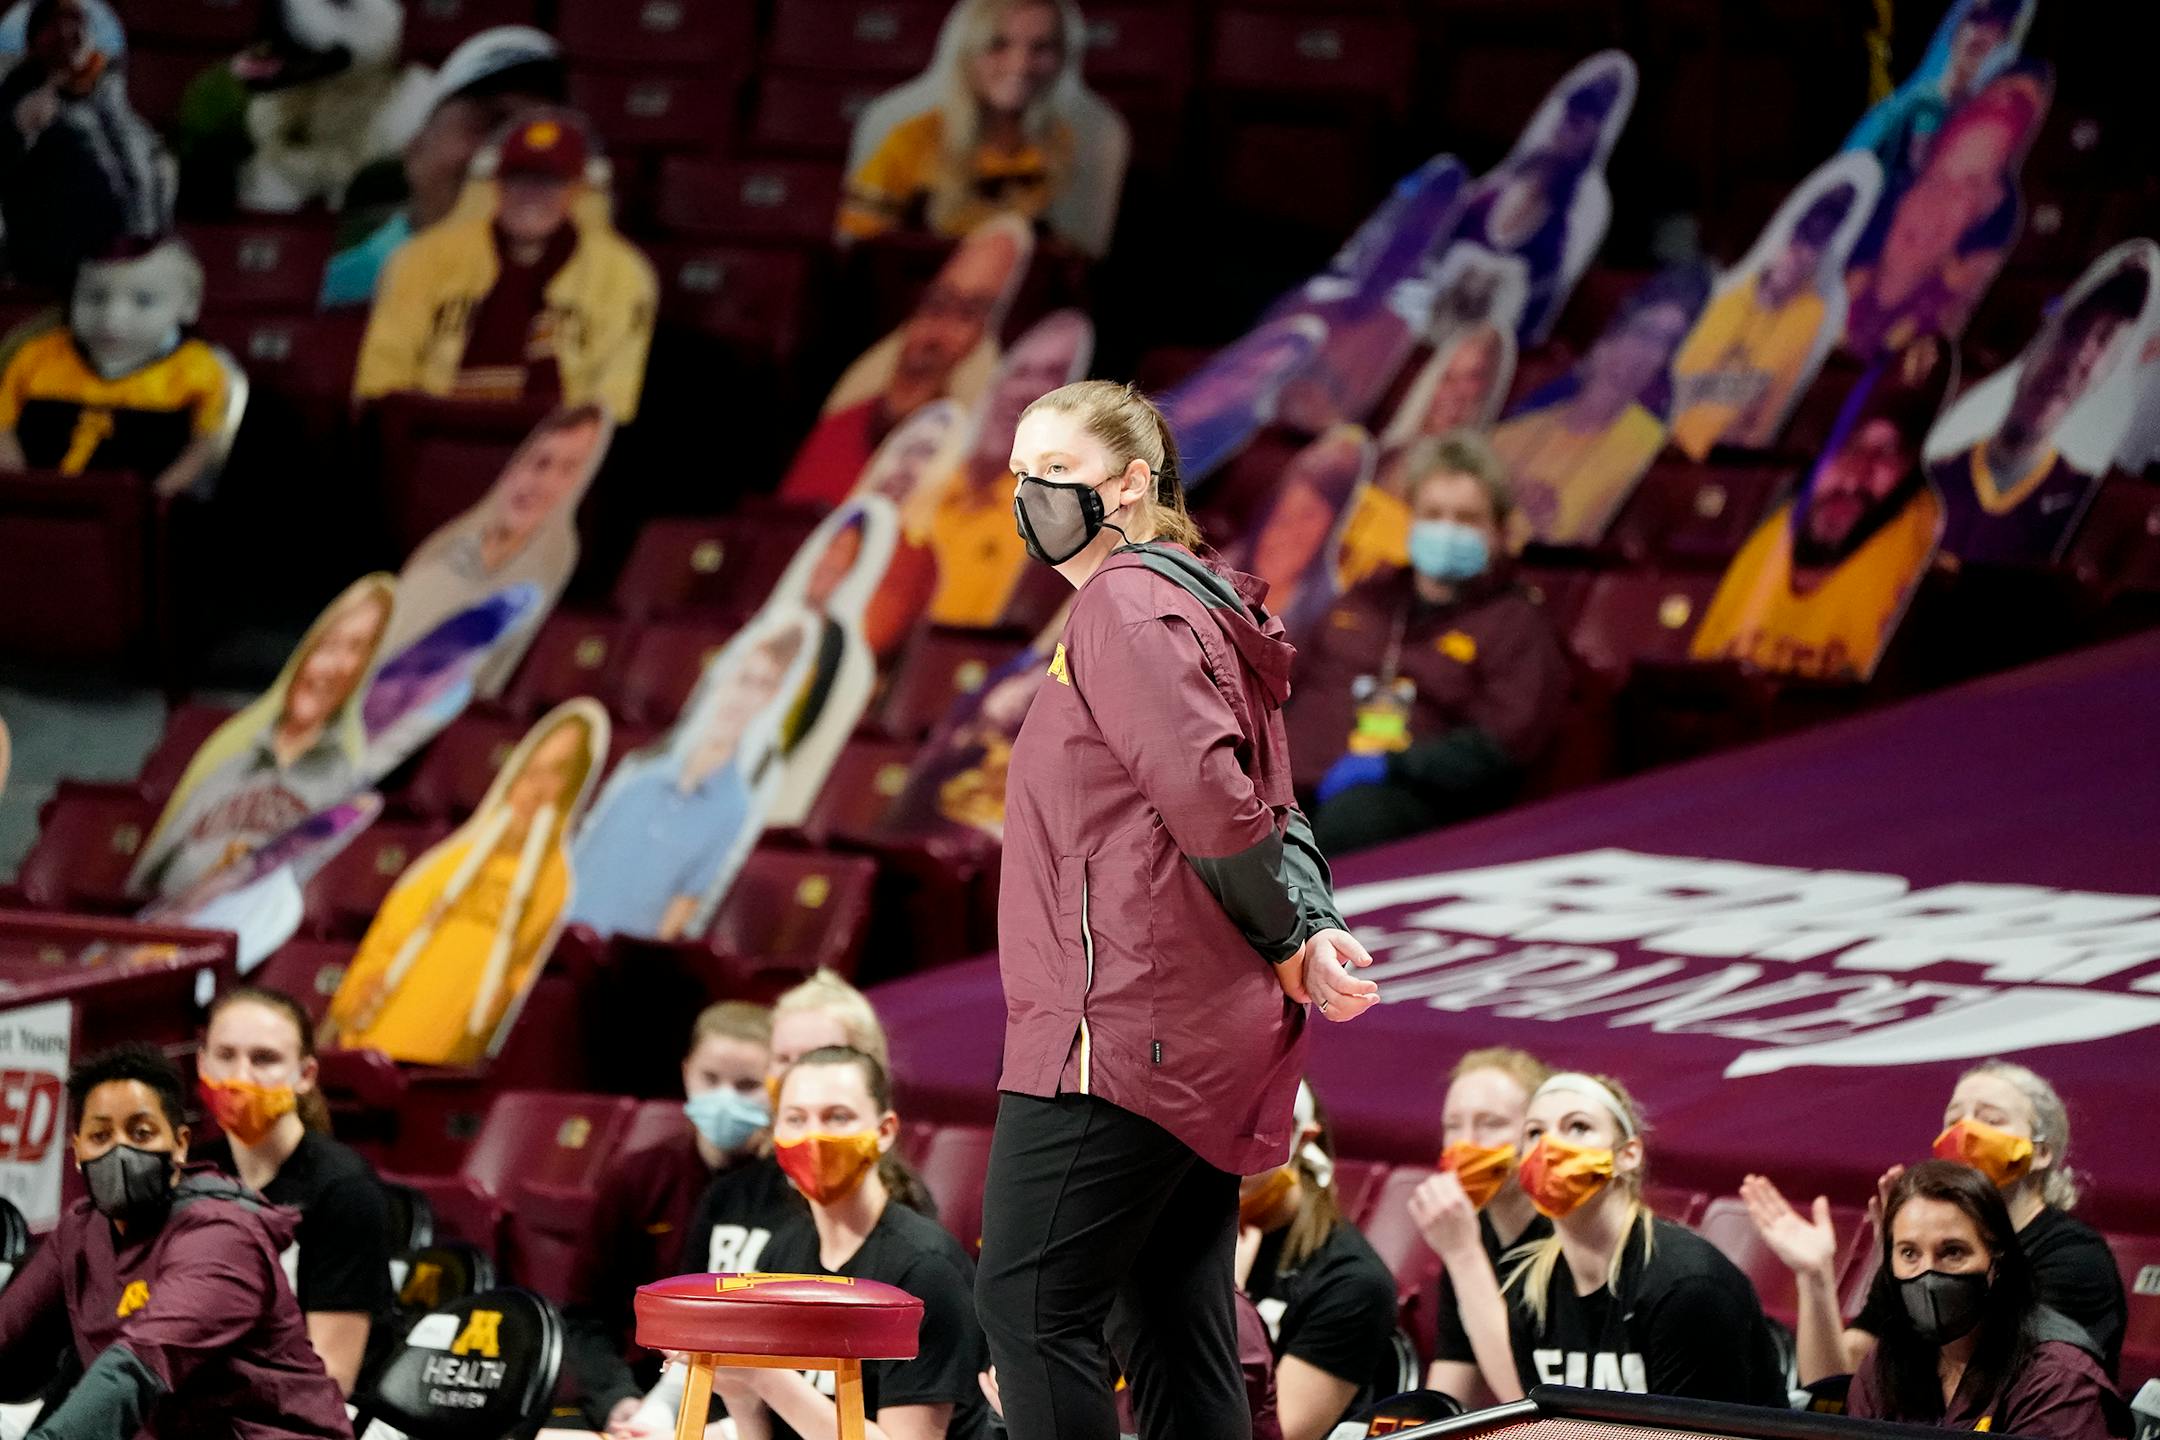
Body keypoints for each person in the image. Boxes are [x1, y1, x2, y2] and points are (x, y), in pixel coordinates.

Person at [980, 378, 1379, 1440]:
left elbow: (1216, 798)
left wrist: (1295, 933)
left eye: (1055, 472)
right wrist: (1309, 922)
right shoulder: (1193, 598)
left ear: (1132, 483)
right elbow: (1270, 798)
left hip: (1115, 1025)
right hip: (1184, 1029)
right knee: (1167, 1318)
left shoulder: (1121, 602)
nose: (1027, 494)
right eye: (1019, 471)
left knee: (1028, 1307)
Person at [0, 1044, 351, 1440]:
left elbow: (138, 1367)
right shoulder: (81, 1231)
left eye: (141, 1133)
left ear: (180, 1144)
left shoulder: (223, 1237)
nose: (121, 1150)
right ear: (78, 1149)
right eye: (100, 1135)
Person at [671, 1047, 993, 1440]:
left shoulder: (925, 1268)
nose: (813, 1137)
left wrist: (763, 1374)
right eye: (795, 1119)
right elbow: (762, 1431)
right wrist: (734, 1385)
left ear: (884, 1131)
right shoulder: (780, 1253)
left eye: (837, 1117)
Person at [1741, 1058, 2126, 1385]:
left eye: (1990, 1119)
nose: (1964, 1132)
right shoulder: (1924, 1249)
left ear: (2041, 1153)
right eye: (1954, 1119)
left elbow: (1985, 1381)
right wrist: (1816, 1279)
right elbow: (1834, 1385)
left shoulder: (2075, 1258)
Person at [1423, 1071, 1786, 1406]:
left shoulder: (1687, 1285)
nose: (1550, 1148)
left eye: (1578, 1127)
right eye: (1534, 1133)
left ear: (1628, 1155)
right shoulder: (1530, 1291)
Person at [1288, 433, 1571, 854]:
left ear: (1500, 530)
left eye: (1465, 518)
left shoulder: (1513, 622)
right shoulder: (1365, 599)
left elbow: (1498, 750)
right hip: (1290, 786)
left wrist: (1393, 765)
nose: (1446, 530)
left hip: (1403, 799)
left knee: (1355, 819)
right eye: (1433, 514)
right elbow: (1280, 683)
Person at [321, 702, 602, 1067]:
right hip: (376, 1045)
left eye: (558, 773)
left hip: (445, 1068)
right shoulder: (446, 862)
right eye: (532, 771)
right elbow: (382, 949)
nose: (537, 788)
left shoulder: (556, 882)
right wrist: (359, 994)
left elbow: (521, 980)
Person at [354, 110, 656, 421]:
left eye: (549, 181)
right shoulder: (423, 259)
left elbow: (616, 395)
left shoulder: (621, 272)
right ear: (497, 183)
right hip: (436, 437)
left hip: (559, 452)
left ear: (576, 189)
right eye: (518, 178)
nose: (530, 195)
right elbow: (383, 370)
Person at [1692, 334, 1950, 682]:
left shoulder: (1925, 543)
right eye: (1850, 447)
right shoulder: (1773, 534)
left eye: (1889, 454)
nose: (1855, 477)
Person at [566, 1001, 775, 1431]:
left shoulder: (789, 1194)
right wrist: (615, 1398)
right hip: (640, 1393)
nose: (724, 1099)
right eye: (710, 1079)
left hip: (748, 1409)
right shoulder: (638, 1177)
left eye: (747, 1085)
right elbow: (585, 1315)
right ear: (686, 1072)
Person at [129, 576, 396, 900]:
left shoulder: (351, 777)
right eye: (327, 645)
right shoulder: (230, 750)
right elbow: (141, 884)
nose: (328, 666)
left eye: (354, 649)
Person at [193, 986, 390, 1397]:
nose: (240, 1077)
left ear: (305, 1076)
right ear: (202, 1062)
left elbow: (332, 1378)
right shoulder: (189, 1175)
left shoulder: (345, 1190)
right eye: (225, 1056)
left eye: (263, 1059)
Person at [1842, 1162, 2126, 1439]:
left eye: (1953, 1252)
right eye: (1909, 1253)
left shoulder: (2057, 1377)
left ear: (1997, 1261)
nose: (1927, 1273)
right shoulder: (1885, 1364)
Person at [569, 625, 808, 940]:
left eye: (762, 686)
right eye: (743, 679)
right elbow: (578, 852)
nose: (743, 697)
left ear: (772, 698)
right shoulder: (639, 769)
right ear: (721, 677)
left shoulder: (736, 808)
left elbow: (685, 907)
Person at [840, 0, 1125, 255]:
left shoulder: (1058, 141)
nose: (1020, 64)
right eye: (998, 45)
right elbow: (860, 250)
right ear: (967, 53)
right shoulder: (912, 139)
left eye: (1041, 47)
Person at [780, 219, 1030, 506]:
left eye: (968, 315)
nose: (934, 336)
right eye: (935, 305)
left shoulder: (979, 470)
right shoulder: (848, 423)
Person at [322, 24, 566, 306]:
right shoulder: (327, 298)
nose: (512, 154)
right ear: (416, 149)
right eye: (490, 123)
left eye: (541, 135)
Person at [377, 402, 609, 692]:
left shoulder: (550, 566)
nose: (541, 484)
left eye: (568, 470)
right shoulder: (446, 547)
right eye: (539, 463)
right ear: (513, 471)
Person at [1930, 261, 2148, 563]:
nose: (2078, 356)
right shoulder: (1934, 474)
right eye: (2073, 330)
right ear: (2029, 349)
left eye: (2104, 339)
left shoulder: (2081, 509)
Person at [1491, 265, 1711, 544]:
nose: (1644, 355)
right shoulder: (1508, 436)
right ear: (1601, 340)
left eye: (1665, 343)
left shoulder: (1654, 455)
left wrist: (1548, 532)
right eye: (1642, 333)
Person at [0, 237, 230, 498]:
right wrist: (19, 485)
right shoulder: (38, 355)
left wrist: (155, 497)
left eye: (143, 300)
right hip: (37, 506)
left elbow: (204, 443)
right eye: (95, 297)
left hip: (131, 516)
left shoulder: (196, 369)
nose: (111, 319)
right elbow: (2, 424)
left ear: (189, 305)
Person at [1842, 69, 2046, 358]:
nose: (1934, 209)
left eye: (1968, 187)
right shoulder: (1819, 286)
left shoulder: (1926, 341)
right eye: (1936, 179)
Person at [1236, 1082, 1399, 1440]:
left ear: (1303, 1139)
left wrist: (1226, 1296)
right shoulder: (1180, 1232)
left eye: (1260, 1126)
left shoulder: (1352, 1281)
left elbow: (1280, 1433)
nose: (1237, 1141)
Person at [1669, 179, 1860, 458]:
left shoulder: (1821, 318)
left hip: (1741, 462)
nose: (1799, 252)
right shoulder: (1716, 297)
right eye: (1797, 236)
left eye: (1814, 244)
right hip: (1667, 454)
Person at [926, 310, 1092, 627]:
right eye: (1021, 371)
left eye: (1054, 375)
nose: (1026, 391)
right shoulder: (923, 473)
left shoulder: (1052, 525)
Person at [1410, 1047, 1555, 1410]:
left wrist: (1462, 1255)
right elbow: (1448, 1398)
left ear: (1536, 1135)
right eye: (1453, 1126)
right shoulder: (1471, 1230)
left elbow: (1529, 1401)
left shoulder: (1571, 1236)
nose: (1465, 1142)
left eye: (1490, 1124)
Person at [0, 0, 170, 290]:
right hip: (52, 262)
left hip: (120, 259)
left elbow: (141, 170)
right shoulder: (20, 92)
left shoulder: (108, 91)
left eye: (75, 25)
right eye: (56, 27)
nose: (67, 35)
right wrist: (21, 129)